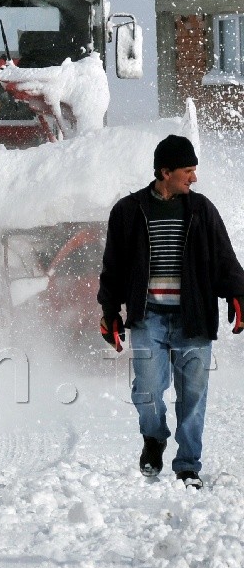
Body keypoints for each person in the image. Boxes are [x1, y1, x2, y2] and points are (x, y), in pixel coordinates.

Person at [97, 135, 244, 488]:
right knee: (147, 389)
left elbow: (225, 258)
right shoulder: (129, 211)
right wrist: (109, 311)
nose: (193, 178)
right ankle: (154, 436)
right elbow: (113, 267)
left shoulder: (202, 210)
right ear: (165, 172)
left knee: (193, 397)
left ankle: (188, 465)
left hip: (193, 317)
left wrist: (238, 295)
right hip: (149, 317)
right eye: (187, 171)